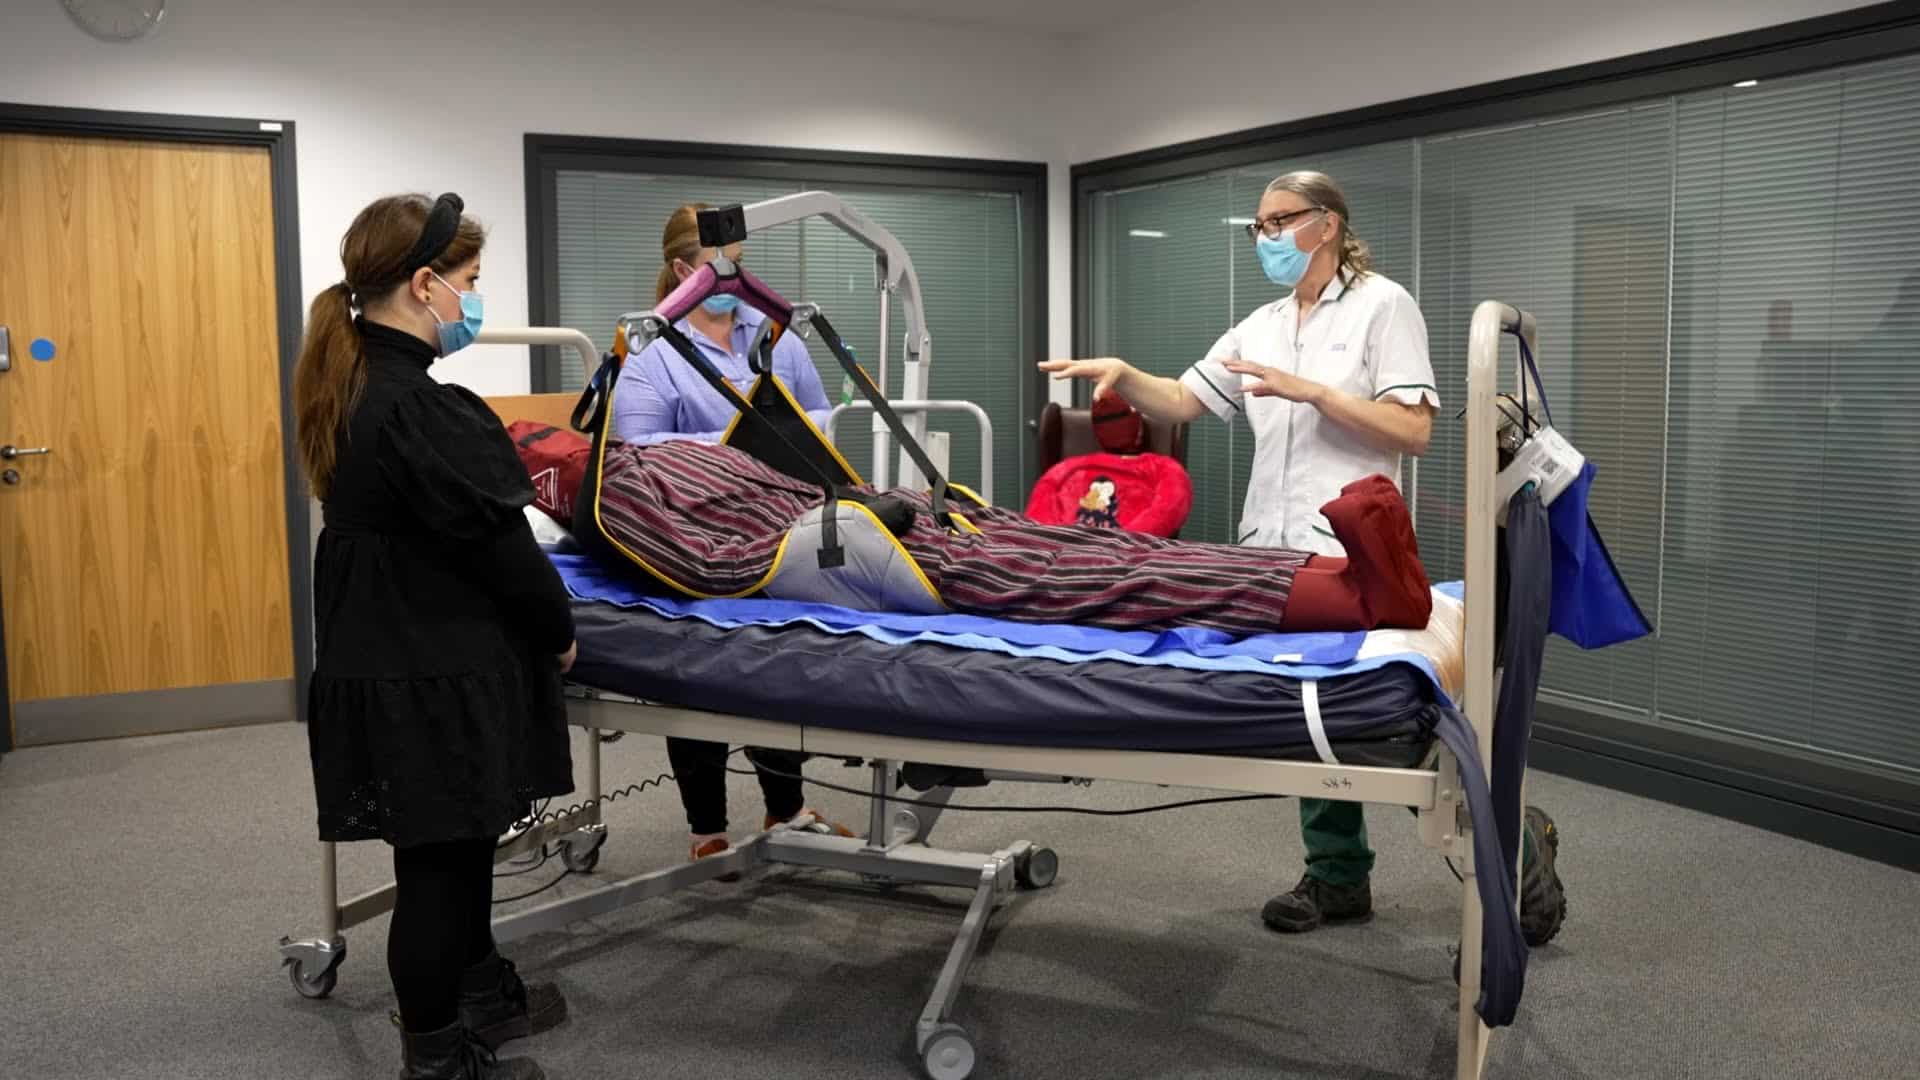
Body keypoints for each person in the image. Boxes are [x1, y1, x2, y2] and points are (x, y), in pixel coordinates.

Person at [1041, 171, 1565, 941]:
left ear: (1326, 224)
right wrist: (1126, 379)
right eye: (1258, 227)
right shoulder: (1259, 323)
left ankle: (1518, 841)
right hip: (1273, 549)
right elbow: (1186, 400)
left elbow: (1413, 429)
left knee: (1395, 724)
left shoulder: (1384, 305)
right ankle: (1336, 877)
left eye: (1280, 222)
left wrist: (1312, 392)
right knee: (1312, 714)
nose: (1267, 238)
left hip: (1353, 549)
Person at [297, 192, 573, 1080]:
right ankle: (438, 1055)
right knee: (438, 870)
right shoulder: (427, 408)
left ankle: (482, 988)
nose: (475, 299)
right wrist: (558, 631)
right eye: (472, 281)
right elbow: (505, 550)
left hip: (380, 657)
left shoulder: (347, 389)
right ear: (425, 285)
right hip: (432, 664)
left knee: (453, 847)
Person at [612, 202, 853, 866]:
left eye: (739, 264)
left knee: (776, 665)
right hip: (693, 533)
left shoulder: (777, 336)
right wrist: (725, 447)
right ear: (682, 268)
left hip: (779, 526)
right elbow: (635, 449)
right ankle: (706, 829)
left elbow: (820, 421)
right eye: (718, 266)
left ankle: (787, 807)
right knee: (700, 671)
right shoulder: (652, 351)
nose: (732, 277)